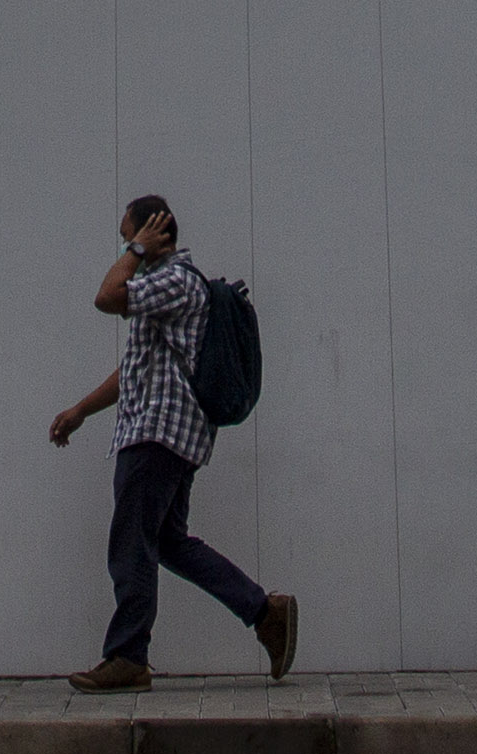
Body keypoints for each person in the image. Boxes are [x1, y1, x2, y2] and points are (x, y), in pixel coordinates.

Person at [47, 193, 297, 692]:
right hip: (169, 436)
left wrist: (136, 252)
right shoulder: (167, 290)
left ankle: (127, 656)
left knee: (131, 543)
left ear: (154, 231)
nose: (124, 244)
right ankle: (263, 611)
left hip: (157, 436)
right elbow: (135, 370)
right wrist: (80, 411)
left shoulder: (173, 280)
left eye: (129, 234)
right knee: (168, 543)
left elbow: (105, 296)